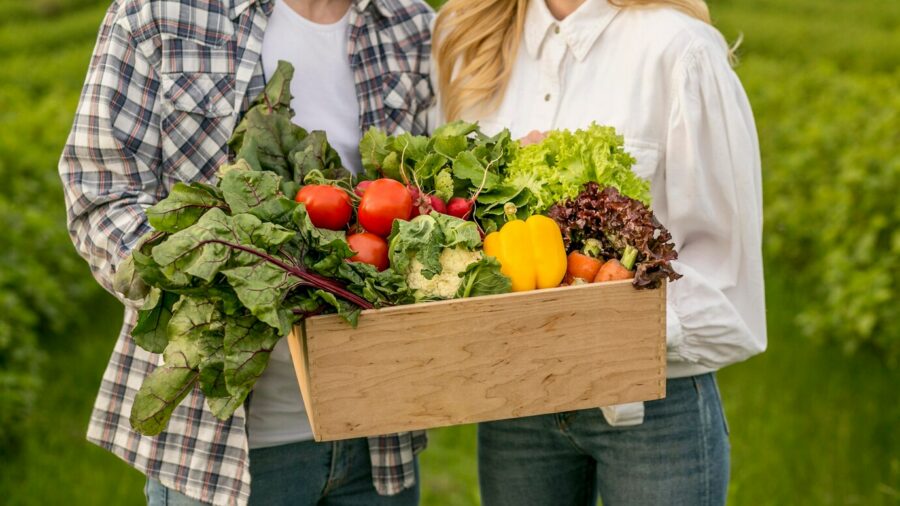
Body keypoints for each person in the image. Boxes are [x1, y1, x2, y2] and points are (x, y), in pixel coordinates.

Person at [59, 0, 434, 504]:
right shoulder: (159, 15)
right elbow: (98, 193)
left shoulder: (410, 24)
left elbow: (430, 199)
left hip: (375, 436)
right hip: (218, 452)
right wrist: (216, 277)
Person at [431, 0, 766, 504]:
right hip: (517, 400)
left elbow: (726, 277)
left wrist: (602, 319)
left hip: (653, 402)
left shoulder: (678, 50)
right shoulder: (468, 40)